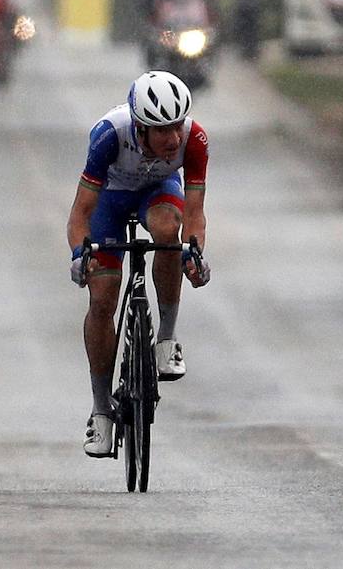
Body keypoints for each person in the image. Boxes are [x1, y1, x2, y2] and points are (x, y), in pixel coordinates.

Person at [65, 71, 212, 457]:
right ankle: (101, 412)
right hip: (109, 202)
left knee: (169, 232)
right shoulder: (108, 136)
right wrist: (81, 255)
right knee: (102, 299)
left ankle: (166, 338)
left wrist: (194, 252)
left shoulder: (194, 140)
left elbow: (195, 213)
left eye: (177, 125)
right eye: (162, 130)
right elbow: (80, 213)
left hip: (157, 193)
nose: (174, 138)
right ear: (140, 128)